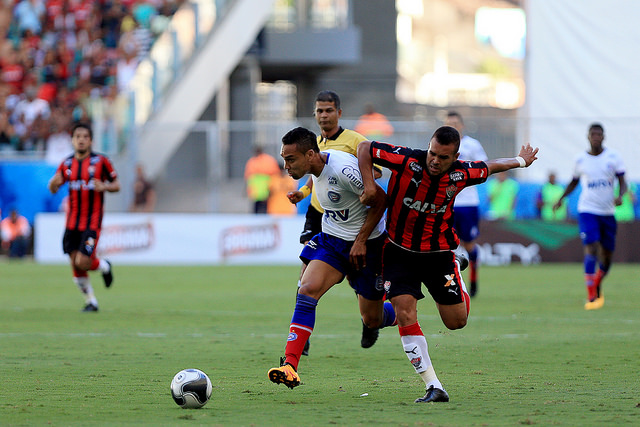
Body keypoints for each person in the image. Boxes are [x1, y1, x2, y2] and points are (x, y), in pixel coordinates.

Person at [358, 126, 538, 403]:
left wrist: (522, 161)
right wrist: (370, 185)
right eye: (432, 153)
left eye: (442, 157)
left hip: (438, 254)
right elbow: (365, 148)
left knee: (456, 322)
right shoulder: (406, 160)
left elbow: (489, 167)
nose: (434, 160)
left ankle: (456, 263)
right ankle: (434, 386)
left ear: (454, 157)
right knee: (406, 313)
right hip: (398, 252)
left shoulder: (461, 173)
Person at [267, 127, 396, 389]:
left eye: (290, 160)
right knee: (307, 289)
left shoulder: (344, 170)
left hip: (368, 246)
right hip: (333, 241)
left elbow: (381, 201)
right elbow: (316, 179)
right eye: (284, 158)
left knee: (372, 319)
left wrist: (360, 241)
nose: (285, 166)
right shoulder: (317, 166)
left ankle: (403, 308)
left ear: (311, 154)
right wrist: (302, 192)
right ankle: (290, 365)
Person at [292, 91, 384, 354]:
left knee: (357, 274)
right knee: (306, 275)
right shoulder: (314, 142)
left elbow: (375, 172)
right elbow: (316, 173)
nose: (324, 115)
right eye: (319, 111)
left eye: (329, 110)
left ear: (339, 113)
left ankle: (370, 316)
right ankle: (302, 336)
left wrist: (361, 177)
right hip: (320, 215)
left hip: (352, 217)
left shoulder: (355, 140)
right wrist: (302, 193)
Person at [553, 123, 626, 310]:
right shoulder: (580, 160)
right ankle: (591, 295)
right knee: (592, 247)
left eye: (599, 134)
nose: (596, 137)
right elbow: (573, 182)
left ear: (603, 137)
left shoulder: (613, 157)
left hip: (608, 212)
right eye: (593, 134)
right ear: (588, 137)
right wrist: (561, 198)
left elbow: (623, 182)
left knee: (607, 256)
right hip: (588, 210)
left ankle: (596, 282)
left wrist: (620, 195)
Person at [48, 122, 120, 312]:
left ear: (91, 140)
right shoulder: (66, 164)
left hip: (92, 222)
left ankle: (104, 266)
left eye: (85, 137)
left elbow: (117, 185)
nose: (81, 140)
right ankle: (91, 301)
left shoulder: (101, 162)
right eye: (77, 136)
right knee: (74, 263)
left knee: (83, 261)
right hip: (71, 223)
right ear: (72, 140)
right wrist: (53, 184)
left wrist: (105, 186)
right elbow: (54, 188)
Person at [445, 111, 487, 296]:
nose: (453, 126)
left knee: (469, 245)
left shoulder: (472, 145)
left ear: (461, 125)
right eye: (449, 123)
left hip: (468, 203)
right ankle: (449, 284)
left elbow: (484, 169)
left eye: (455, 122)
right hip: (447, 203)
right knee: (447, 247)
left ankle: (474, 282)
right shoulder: (442, 145)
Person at [244, 146, 280, 214]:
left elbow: (275, 174)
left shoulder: (268, 160)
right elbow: (248, 176)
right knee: (256, 207)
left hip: (265, 188)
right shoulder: (252, 161)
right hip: (256, 190)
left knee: (265, 207)